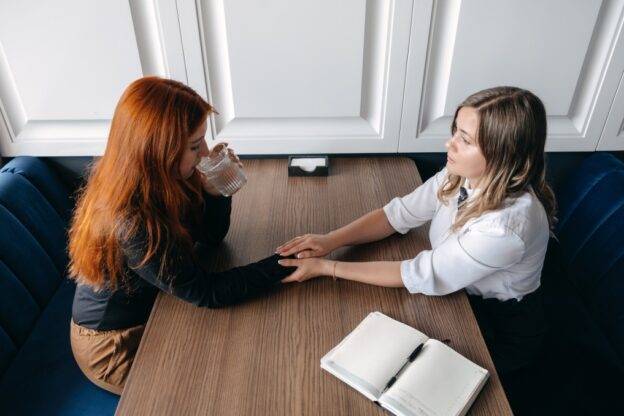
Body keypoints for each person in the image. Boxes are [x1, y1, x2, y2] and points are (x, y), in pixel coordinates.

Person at [276, 86, 556, 375]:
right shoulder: (461, 172)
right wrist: (330, 240)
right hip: (456, 296)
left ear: (502, 153)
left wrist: (326, 267)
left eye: (465, 139)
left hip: (496, 326)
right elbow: (399, 214)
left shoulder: (506, 227)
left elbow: (420, 274)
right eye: (455, 131)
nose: (450, 144)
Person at [68, 76, 294, 394]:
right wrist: (288, 263)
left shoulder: (159, 178)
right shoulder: (131, 219)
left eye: (202, 140)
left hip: (157, 306)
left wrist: (214, 194)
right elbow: (206, 292)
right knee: (216, 387)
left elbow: (211, 238)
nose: (204, 153)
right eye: (193, 146)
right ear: (157, 150)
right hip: (115, 345)